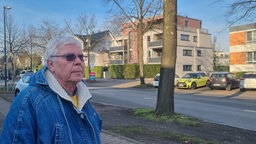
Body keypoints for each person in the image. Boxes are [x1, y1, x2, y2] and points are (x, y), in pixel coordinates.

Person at [0, 35, 102, 143]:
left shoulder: (84, 98)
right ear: (51, 64)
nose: (78, 62)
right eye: (70, 57)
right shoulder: (28, 101)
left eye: (81, 57)